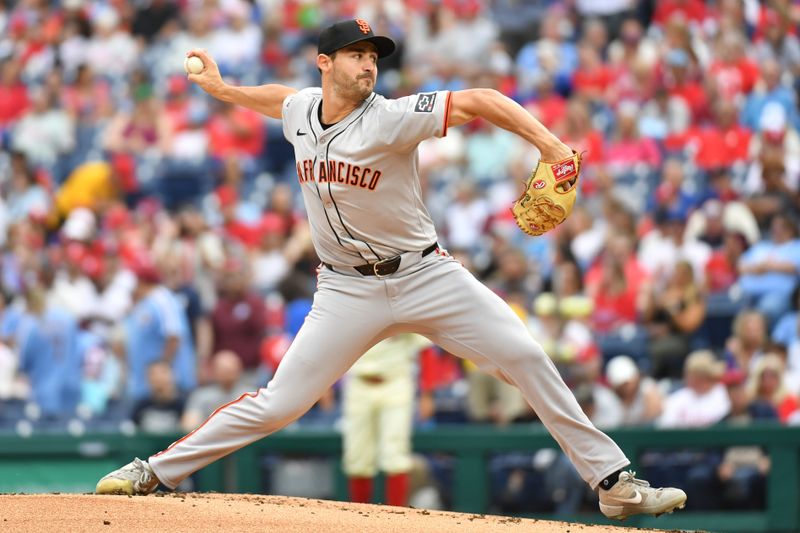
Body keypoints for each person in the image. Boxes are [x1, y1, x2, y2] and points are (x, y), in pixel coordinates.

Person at [95, 19, 686, 520]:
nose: (368, 65)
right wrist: (225, 91)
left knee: (526, 356)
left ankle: (613, 484)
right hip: (345, 289)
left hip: (426, 276)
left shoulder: (393, 117)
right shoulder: (303, 109)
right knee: (280, 403)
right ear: (324, 63)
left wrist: (552, 147)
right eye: (355, 56)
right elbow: (280, 99)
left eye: (373, 56)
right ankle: (155, 471)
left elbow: (479, 99)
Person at [343, 334, 430, 507]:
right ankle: (356, 518)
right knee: (357, 455)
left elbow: (424, 349)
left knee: (395, 453)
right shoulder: (354, 306)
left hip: (395, 382)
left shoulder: (403, 305)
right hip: (359, 383)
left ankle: (394, 518)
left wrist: (427, 393)